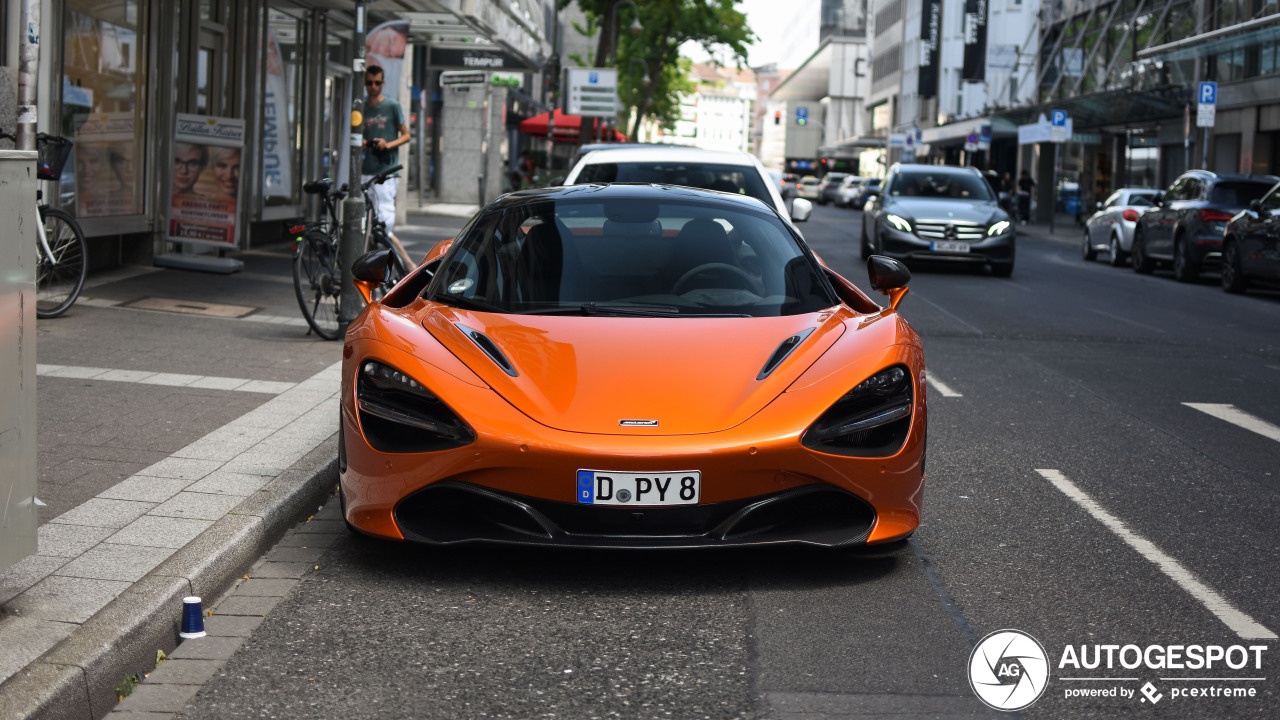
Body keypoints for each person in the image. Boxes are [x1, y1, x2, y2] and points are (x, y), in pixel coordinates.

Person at [361, 64, 410, 242]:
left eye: (377, 83)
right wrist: (364, 143)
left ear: (383, 83)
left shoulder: (392, 106)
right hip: (366, 170)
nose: (373, 86)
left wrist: (387, 144)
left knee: (384, 221)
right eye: (369, 83)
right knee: (363, 219)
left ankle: (388, 255)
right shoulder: (362, 107)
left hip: (386, 171)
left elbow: (406, 136)